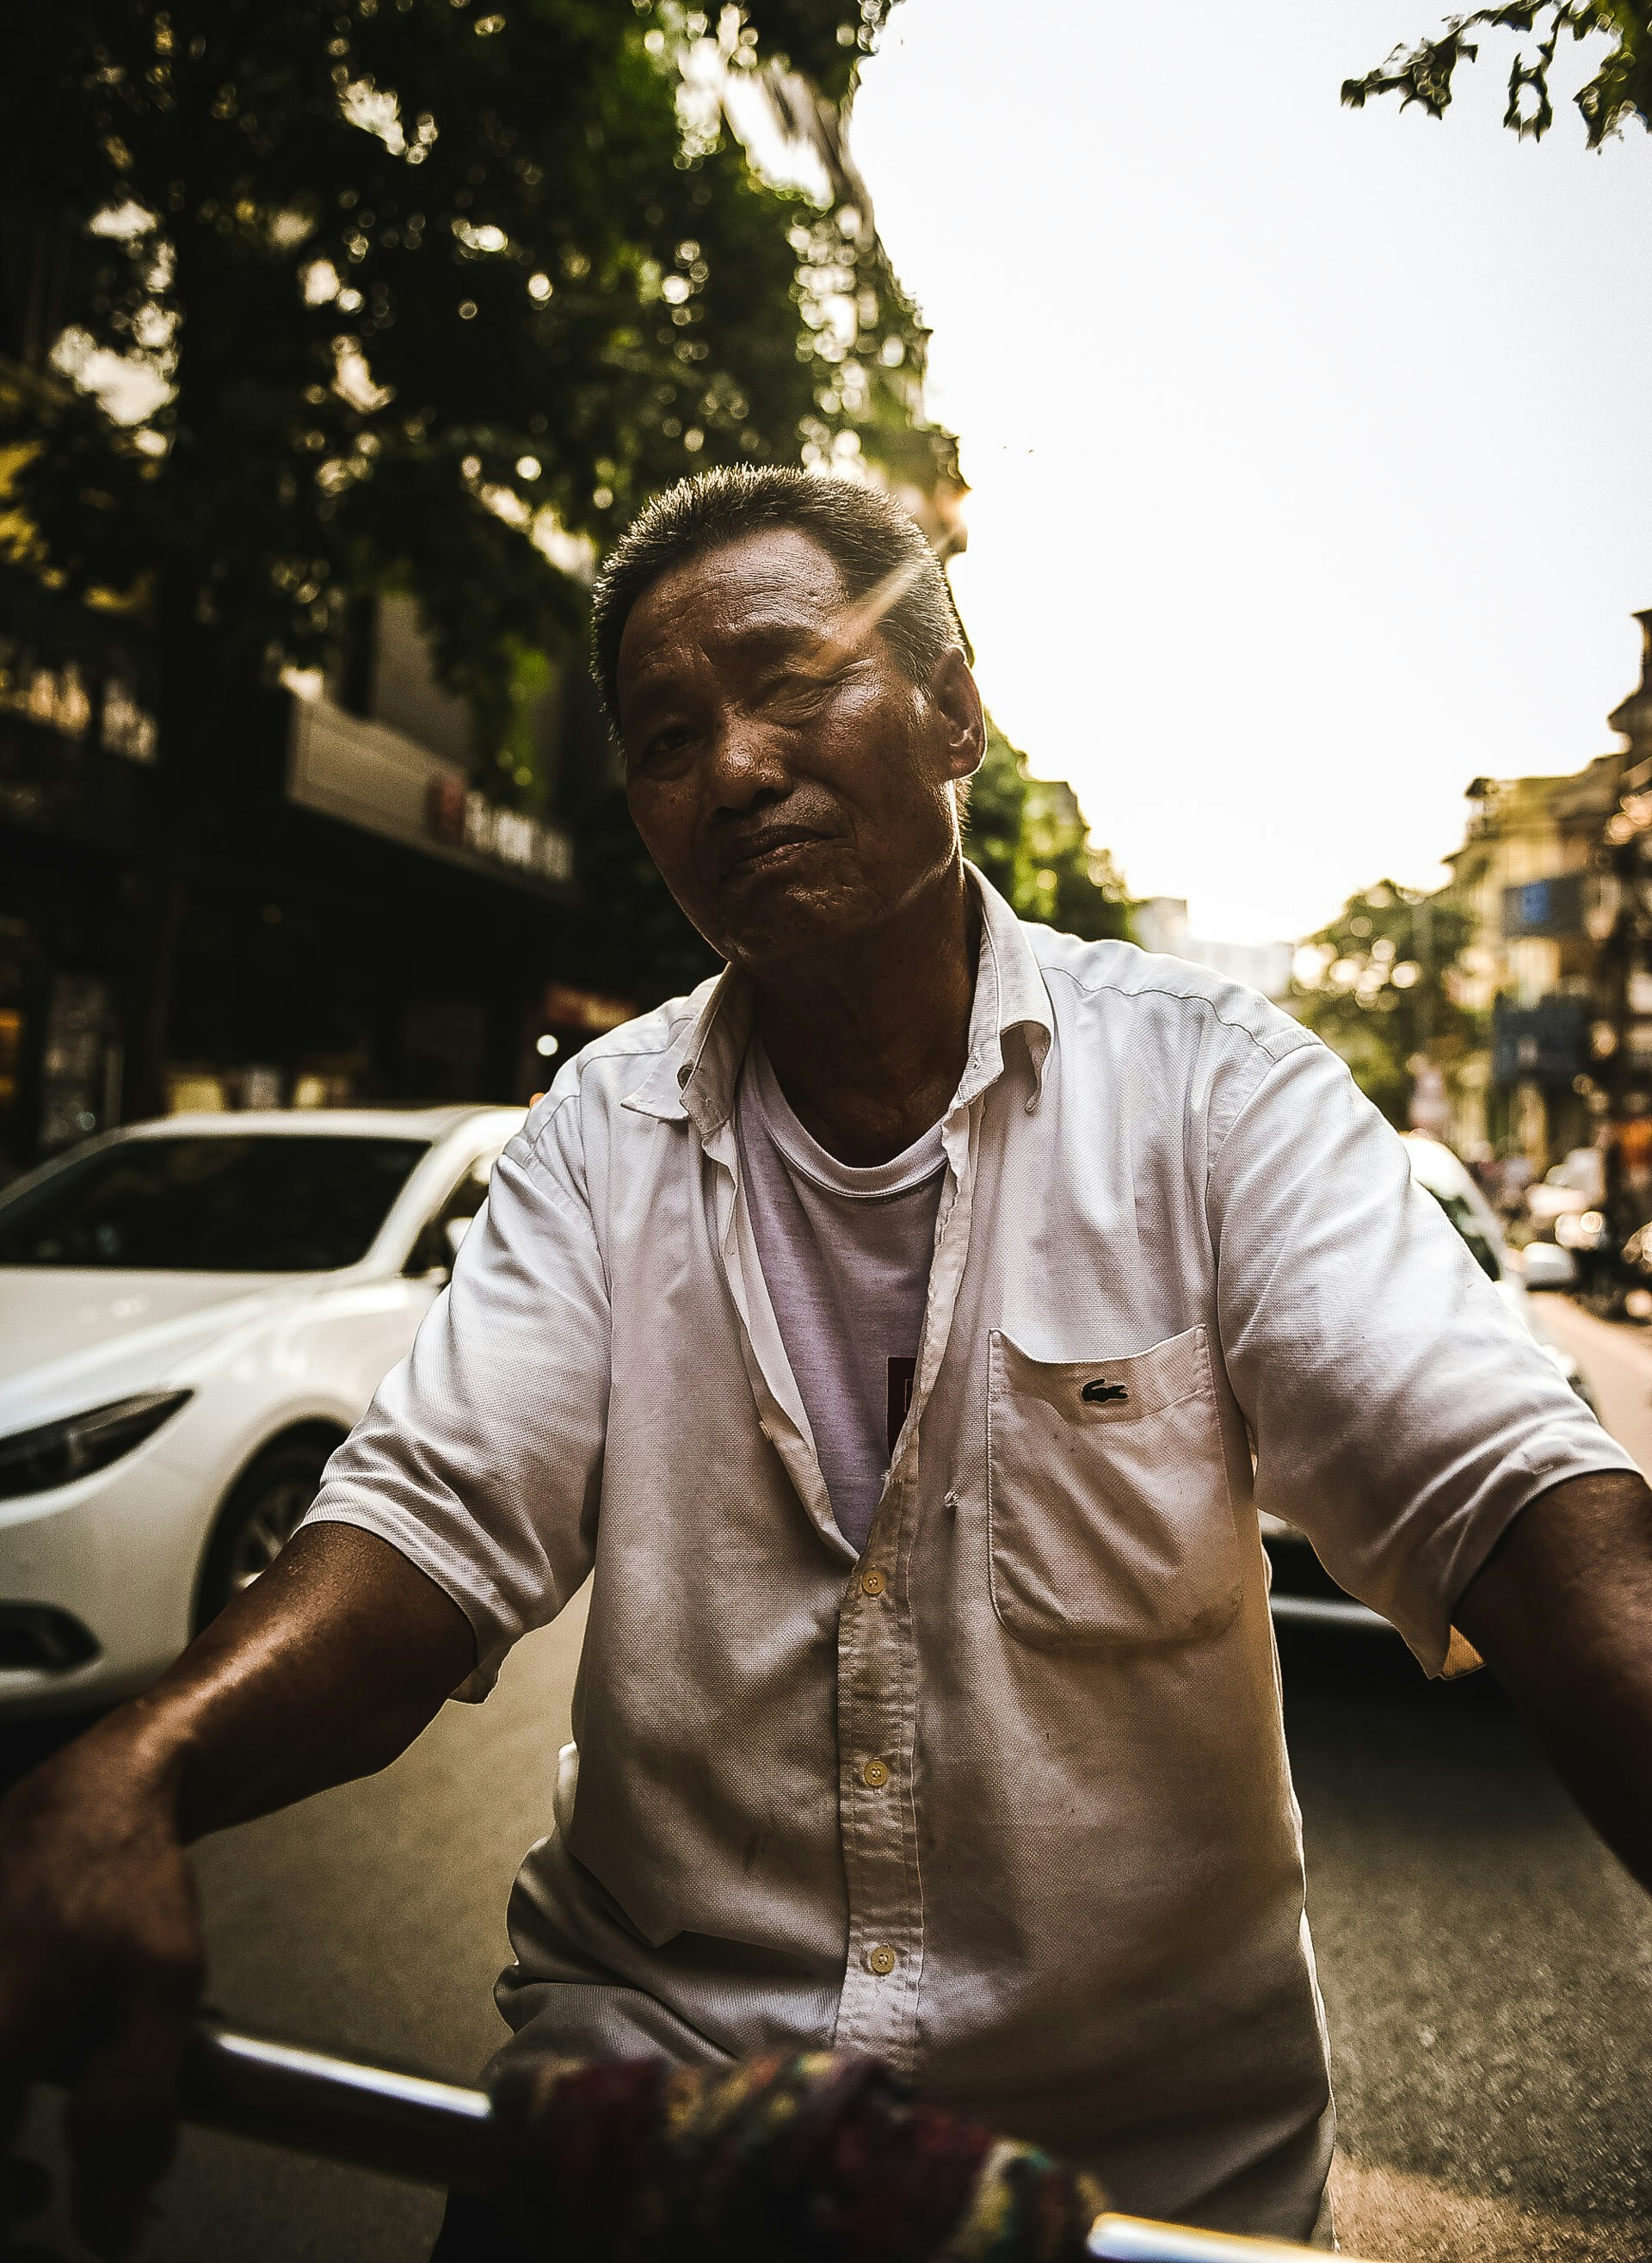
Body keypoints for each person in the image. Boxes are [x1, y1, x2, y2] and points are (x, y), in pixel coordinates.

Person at [2, 466, 1649, 2260]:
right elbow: (426, 1531)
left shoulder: (1213, 1090)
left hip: (1140, 2185)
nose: (729, 768)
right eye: (664, 737)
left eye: (795, 686)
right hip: (645, 2120)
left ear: (958, 708)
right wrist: (131, 1766)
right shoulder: (594, 1137)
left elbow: (1518, 1509)